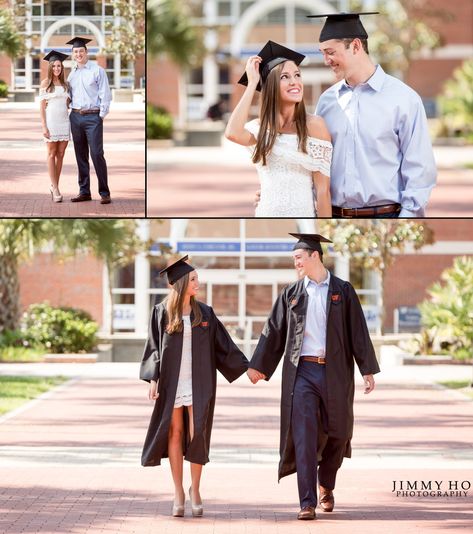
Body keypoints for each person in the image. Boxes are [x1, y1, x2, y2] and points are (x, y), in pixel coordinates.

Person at [247, 233, 380, 520]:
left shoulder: (343, 291)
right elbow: (273, 331)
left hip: (335, 371)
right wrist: (258, 365)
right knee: (304, 435)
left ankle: (326, 484)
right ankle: (306, 502)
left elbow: (358, 331)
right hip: (302, 372)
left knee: (340, 432)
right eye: (294, 259)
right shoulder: (291, 294)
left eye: (298, 258)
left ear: (314, 256)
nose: (295, 263)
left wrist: (367, 368)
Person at [140, 256, 249, 518]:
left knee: (197, 432)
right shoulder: (161, 312)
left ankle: (195, 490)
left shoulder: (205, 313)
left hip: (199, 382)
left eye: (197, 278)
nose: (198, 283)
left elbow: (225, 347)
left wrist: (251, 367)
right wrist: (153, 379)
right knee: (175, 433)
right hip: (171, 383)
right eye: (193, 279)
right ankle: (178, 491)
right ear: (179, 284)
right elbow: (154, 348)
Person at [307, 11, 437, 217]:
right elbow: (315, 162)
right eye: (322, 53)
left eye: (330, 52)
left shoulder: (404, 99)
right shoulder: (326, 101)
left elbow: (419, 171)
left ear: (356, 46)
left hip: (386, 217)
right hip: (334, 217)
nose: (326, 60)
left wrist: (406, 219)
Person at [225, 41, 332, 217]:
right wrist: (252, 84)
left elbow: (323, 192)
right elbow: (232, 133)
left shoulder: (314, 126)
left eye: (297, 75)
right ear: (271, 86)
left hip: (303, 213)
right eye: (285, 77)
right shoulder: (259, 129)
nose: (295, 82)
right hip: (266, 213)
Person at [66, 36, 112, 204]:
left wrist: (100, 116)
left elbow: (105, 95)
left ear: (87, 52)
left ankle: (104, 192)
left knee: (97, 154)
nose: (78, 54)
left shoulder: (97, 70)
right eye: (75, 51)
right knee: (80, 156)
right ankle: (84, 191)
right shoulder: (71, 75)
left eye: (81, 51)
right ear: (72, 54)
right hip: (76, 117)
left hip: (93, 117)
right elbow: (69, 97)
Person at [39, 50, 71, 203]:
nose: (57, 68)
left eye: (59, 66)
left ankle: (54, 185)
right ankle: (56, 189)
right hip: (51, 123)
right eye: (54, 66)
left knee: (61, 154)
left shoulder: (66, 85)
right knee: (52, 154)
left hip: (65, 122)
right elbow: (41, 108)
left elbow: (67, 103)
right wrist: (44, 126)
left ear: (62, 67)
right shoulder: (45, 83)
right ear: (50, 67)